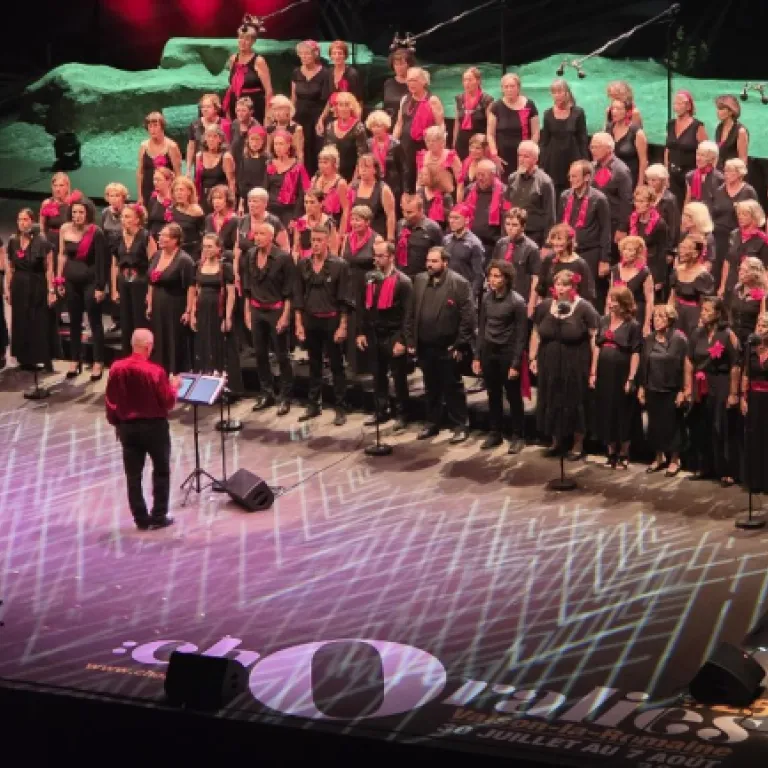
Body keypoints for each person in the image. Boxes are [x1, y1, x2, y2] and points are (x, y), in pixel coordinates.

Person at [105, 328, 178, 531]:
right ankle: (159, 515)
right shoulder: (155, 372)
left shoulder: (116, 368)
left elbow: (111, 401)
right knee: (161, 471)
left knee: (133, 475)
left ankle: (140, 517)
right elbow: (168, 402)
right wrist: (174, 387)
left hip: (128, 428)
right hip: (155, 428)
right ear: (149, 346)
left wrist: (117, 423)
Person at [530, 270, 600, 459]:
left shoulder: (584, 308)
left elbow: (595, 339)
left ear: (573, 287)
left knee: (574, 400)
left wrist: (594, 369)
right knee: (551, 397)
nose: (560, 288)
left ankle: (577, 443)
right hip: (549, 362)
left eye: (565, 284)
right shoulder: (545, 306)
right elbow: (536, 332)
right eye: (558, 284)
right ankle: (556, 440)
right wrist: (533, 358)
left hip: (575, 363)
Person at [409, 247, 475, 443]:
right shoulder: (420, 280)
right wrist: (412, 340)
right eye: (428, 261)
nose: (429, 264)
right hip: (425, 345)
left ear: (445, 262)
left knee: (452, 387)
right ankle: (432, 423)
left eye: (434, 261)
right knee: (430, 387)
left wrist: (460, 344)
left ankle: (460, 425)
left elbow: (468, 317)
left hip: (449, 346)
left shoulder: (459, 283)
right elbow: (412, 312)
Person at [294, 225, 352, 425]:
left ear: (327, 241)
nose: (316, 244)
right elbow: (298, 298)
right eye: (313, 240)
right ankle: (314, 404)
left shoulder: (339, 265)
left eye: (319, 240)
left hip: (332, 320)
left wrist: (343, 326)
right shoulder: (303, 264)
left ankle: (341, 406)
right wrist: (299, 324)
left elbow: (345, 299)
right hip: (311, 320)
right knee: (314, 364)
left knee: (336, 365)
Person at [356, 237, 413, 431]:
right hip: (375, 332)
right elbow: (365, 308)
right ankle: (381, 411)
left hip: (394, 334)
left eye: (381, 256)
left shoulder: (403, 282)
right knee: (378, 375)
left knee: (398, 377)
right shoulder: (370, 278)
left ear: (391, 257)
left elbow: (408, 315)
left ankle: (403, 414)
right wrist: (361, 332)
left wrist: (403, 340)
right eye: (375, 256)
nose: (377, 260)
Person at [684, 296, 741, 486]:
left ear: (718, 313)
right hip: (701, 382)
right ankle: (704, 466)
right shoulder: (696, 333)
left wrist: (733, 393)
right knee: (701, 425)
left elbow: (735, 365)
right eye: (703, 310)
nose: (704, 313)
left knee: (721, 426)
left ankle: (726, 470)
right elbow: (689, 361)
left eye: (708, 310)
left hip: (721, 382)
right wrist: (688, 387)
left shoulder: (727, 335)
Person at [473, 260, 527, 453]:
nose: (493, 280)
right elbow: (481, 328)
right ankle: (495, 432)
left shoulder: (517, 302)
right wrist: (477, 356)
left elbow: (521, 335)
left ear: (506, 278)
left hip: (507, 352)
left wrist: (515, 363)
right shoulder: (487, 298)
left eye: (497, 276)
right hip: (489, 351)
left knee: (513, 395)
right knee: (492, 393)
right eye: (491, 276)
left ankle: (518, 435)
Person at [241, 222, 295, 414]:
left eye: (262, 234)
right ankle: (267, 392)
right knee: (260, 354)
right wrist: (247, 312)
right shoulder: (250, 255)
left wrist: (285, 316)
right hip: (256, 310)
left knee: (281, 355)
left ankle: (286, 396)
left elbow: (290, 291)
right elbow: (247, 287)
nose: (257, 237)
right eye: (256, 234)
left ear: (271, 237)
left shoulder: (283, 258)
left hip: (276, 311)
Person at [55, 197, 108, 381]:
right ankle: (75, 359)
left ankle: (98, 361)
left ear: (88, 214)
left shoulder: (96, 232)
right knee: (74, 321)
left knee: (94, 322)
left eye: (81, 212)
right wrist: (59, 280)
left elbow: (102, 262)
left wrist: (101, 287)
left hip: (90, 282)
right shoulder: (64, 229)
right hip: (70, 281)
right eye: (75, 212)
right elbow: (61, 255)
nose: (77, 216)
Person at [592, 286, 642, 469]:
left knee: (623, 412)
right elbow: (597, 346)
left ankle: (624, 453)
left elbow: (636, 353)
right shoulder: (603, 320)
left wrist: (631, 378)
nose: (610, 304)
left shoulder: (633, 326)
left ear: (624, 304)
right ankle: (611, 450)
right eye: (610, 300)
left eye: (615, 301)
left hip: (621, 374)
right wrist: (593, 372)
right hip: (604, 372)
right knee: (606, 411)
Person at [638, 304, 687, 477]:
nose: (657, 320)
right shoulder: (650, 338)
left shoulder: (679, 339)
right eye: (655, 317)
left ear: (670, 320)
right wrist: (642, 387)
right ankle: (658, 457)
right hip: (652, 387)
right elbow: (644, 364)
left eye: (661, 317)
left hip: (671, 389)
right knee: (654, 425)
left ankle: (674, 459)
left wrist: (683, 390)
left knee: (672, 425)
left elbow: (684, 366)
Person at [5, 209, 58, 371]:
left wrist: (51, 290)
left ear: (32, 221)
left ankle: (42, 357)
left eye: (26, 219)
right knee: (21, 320)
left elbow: (49, 268)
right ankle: (24, 358)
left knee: (38, 320)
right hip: (19, 285)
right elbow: (10, 267)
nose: (22, 223)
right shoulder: (13, 241)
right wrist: (8, 289)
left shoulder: (41, 241)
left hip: (37, 283)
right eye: (20, 219)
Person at [190, 234, 243, 394]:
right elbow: (196, 291)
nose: (206, 249)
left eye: (210, 246)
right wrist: (193, 313)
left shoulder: (224, 267)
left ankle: (227, 386)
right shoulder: (199, 265)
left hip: (218, 311)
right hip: (203, 310)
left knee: (221, 346)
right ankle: (207, 382)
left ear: (219, 248)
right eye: (204, 246)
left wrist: (227, 317)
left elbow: (231, 294)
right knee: (205, 344)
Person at [146, 223, 196, 374]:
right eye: (160, 235)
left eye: (164, 236)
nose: (160, 238)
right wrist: (149, 303)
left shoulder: (184, 260)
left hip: (175, 305)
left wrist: (188, 311)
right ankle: (159, 371)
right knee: (159, 339)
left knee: (173, 339)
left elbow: (191, 287)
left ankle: (175, 373)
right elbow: (151, 281)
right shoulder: (156, 255)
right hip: (157, 303)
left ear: (175, 240)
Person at [558, 160, 611, 294]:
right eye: (570, 176)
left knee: (588, 291)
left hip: (590, 252)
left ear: (587, 177)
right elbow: (559, 225)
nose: (571, 180)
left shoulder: (599, 199)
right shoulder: (565, 196)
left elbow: (605, 230)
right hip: (568, 251)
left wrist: (604, 259)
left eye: (575, 176)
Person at [393, 67, 445, 194]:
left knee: (423, 182)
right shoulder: (405, 99)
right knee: (406, 179)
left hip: (424, 148)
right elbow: (399, 123)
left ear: (423, 81)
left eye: (414, 80)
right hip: (405, 148)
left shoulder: (432, 100)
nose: (411, 84)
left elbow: (441, 126)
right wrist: (392, 142)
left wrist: (438, 149)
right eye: (409, 80)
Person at [112, 203, 154, 356]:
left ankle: (143, 357)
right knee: (126, 321)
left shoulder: (145, 236)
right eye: (123, 216)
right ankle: (127, 357)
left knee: (140, 321)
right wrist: (114, 288)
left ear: (138, 219)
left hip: (141, 283)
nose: (124, 219)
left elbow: (153, 265)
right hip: (124, 283)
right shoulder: (118, 237)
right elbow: (114, 264)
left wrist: (150, 292)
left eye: (128, 216)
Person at [710, 158, 757, 289]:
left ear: (740, 173)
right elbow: (712, 212)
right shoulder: (719, 190)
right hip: (718, 236)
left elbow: (755, 216)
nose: (726, 174)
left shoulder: (748, 191)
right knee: (716, 269)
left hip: (737, 237)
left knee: (732, 270)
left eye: (730, 171)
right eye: (725, 171)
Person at [342, 205, 377, 374]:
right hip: (350, 285)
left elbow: (380, 265)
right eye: (353, 219)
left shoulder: (376, 239)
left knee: (365, 322)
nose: (354, 223)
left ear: (368, 222)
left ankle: (368, 365)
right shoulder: (348, 238)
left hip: (368, 285)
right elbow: (343, 261)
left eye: (358, 220)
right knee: (351, 322)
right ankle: (352, 363)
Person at [539, 79, 589, 199]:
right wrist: (541, 164)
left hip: (573, 158)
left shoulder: (578, 112)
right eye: (554, 92)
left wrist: (585, 161)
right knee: (555, 192)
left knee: (574, 190)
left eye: (560, 91)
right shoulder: (547, 114)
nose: (557, 95)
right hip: (554, 160)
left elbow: (582, 139)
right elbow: (544, 142)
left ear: (567, 93)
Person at [589, 133, 633, 259]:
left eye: (597, 147)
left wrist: (622, 228)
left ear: (609, 149)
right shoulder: (592, 167)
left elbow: (627, 201)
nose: (593, 151)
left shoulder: (621, 171)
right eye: (591, 147)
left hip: (613, 223)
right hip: (595, 222)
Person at [491, 207, 541, 318]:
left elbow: (536, 278)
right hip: (500, 296)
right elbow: (494, 269)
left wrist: (531, 304)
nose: (510, 228)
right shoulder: (501, 244)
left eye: (514, 225)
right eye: (507, 224)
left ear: (523, 227)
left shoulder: (532, 248)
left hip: (520, 299)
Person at [504, 140, 556, 248]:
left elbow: (549, 216)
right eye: (520, 156)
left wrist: (547, 245)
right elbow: (506, 207)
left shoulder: (545, 182)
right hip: (512, 233)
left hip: (534, 235)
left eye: (526, 156)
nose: (521, 160)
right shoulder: (512, 178)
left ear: (535, 159)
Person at [487, 73, 540, 175]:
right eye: (506, 87)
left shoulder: (529, 105)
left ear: (518, 87)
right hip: (503, 157)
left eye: (512, 86)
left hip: (524, 157)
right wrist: (494, 154)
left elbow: (535, 133)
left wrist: (530, 153)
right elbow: (490, 134)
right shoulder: (496, 106)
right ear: (502, 89)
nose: (509, 89)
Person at [222, 16, 272, 122]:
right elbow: (232, 86)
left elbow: (268, 91)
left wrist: (268, 115)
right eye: (240, 37)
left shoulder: (259, 61)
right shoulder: (233, 59)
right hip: (236, 105)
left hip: (254, 107)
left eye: (247, 39)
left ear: (253, 41)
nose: (242, 41)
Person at [665, 90, 707, 210]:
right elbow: (667, 148)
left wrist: (701, 172)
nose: (676, 106)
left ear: (688, 106)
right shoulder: (671, 124)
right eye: (675, 103)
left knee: (688, 206)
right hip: (673, 172)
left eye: (679, 103)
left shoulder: (697, 126)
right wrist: (665, 169)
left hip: (690, 172)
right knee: (673, 205)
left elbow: (706, 151)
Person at [740, 312, 768, 494]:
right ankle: (755, 481)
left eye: (764, 325)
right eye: (758, 324)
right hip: (754, 398)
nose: (760, 328)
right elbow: (745, 374)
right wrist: (743, 397)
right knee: (754, 439)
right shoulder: (750, 348)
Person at [668, 234, 715, 339]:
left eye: (686, 248)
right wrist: (668, 312)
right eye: (681, 247)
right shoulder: (677, 271)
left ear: (695, 253)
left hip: (693, 316)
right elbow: (672, 296)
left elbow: (706, 303)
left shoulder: (703, 275)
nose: (681, 252)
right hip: (677, 313)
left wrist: (702, 321)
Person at [719, 200, 768, 299]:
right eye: (739, 214)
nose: (740, 217)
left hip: (751, 289)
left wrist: (765, 292)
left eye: (744, 214)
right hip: (731, 285)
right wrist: (722, 285)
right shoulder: (734, 234)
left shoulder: (762, 240)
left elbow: (765, 269)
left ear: (754, 216)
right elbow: (727, 261)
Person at [464, 159, 509, 266]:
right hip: (470, 243)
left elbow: (506, 219)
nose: (479, 178)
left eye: (483, 175)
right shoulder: (470, 190)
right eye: (478, 174)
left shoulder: (504, 192)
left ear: (493, 175)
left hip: (491, 245)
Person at [537, 223, 595, 304]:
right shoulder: (549, 259)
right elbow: (541, 290)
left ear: (568, 241)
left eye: (559, 239)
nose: (555, 242)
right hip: (550, 308)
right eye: (553, 239)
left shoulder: (580, 264)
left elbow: (587, 297)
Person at [629, 185, 669, 303]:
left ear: (651, 203)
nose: (637, 204)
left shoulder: (659, 224)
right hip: (633, 266)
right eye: (636, 200)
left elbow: (662, 252)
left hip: (651, 266)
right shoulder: (632, 219)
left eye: (641, 201)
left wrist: (658, 279)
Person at [291, 40, 325, 176]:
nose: (304, 57)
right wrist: (290, 117)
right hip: (300, 116)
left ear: (315, 55)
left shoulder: (325, 73)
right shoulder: (296, 72)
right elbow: (293, 97)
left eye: (307, 54)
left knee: (316, 149)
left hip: (317, 117)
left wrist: (322, 119)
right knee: (301, 148)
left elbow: (328, 99)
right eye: (301, 54)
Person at [266, 129, 310, 227]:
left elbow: (301, 194)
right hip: (270, 209)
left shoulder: (297, 167)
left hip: (288, 211)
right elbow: (264, 188)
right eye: (276, 144)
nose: (277, 147)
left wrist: (295, 217)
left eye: (281, 144)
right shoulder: (269, 164)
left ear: (288, 145)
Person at [136, 112, 182, 207]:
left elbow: (178, 174)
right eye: (150, 126)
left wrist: (175, 195)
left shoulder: (171, 146)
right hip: (147, 191)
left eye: (155, 126)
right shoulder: (143, 146)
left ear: (162, 127)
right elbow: (140, 172)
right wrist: (140, 195)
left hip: (166, 193)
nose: (152, 130)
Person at [348, 153, 397, 241]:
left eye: (366, 167)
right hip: (356, 236)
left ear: (375, 170)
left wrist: (390, 239)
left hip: (377, 237)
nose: (363, 170)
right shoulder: (353, 187)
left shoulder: (383, 189)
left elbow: (390, 215)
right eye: (361, 167)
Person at [612, 235, 654, 335]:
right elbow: (610, 295)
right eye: (625, 249)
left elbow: (650, 301)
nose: (626, 252)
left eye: (630, 250)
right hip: (618, 313)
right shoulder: (615, 269)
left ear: (638, 253)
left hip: (637, 315)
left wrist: (647, 324)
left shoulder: (644, 272)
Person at [394, 194, 444, 278]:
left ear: (421, 210)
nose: (405, 215)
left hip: (423, 277)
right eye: (403, 211)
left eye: (410, 212)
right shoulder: (400, 224)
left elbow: (441, 255)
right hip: (401, 275)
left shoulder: (433, 229)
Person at [444, 203, 486, 300]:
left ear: (467, 220)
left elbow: (479, 275)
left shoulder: (475, 244)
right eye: (450, 217)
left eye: (456, 218)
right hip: (447, 290)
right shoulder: (446, 240)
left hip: (464, 293)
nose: (451, 221)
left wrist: (471, 296)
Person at [322, 92, 367, 183]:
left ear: (352, 108)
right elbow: (326, 154)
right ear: (336, 108)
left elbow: (361, 157)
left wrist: (354, 181)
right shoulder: (330, 127)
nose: (343, 108)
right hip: (333, 176)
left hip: (352, 176)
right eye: (341, 105)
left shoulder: (358, 128)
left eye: (347, 105)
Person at [367, 111, 406, 210]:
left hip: (393, 186)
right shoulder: (368, 144)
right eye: (373, 126)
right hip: (374, 184)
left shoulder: (395, 144)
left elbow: (404, 169)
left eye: (379, 126)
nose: (375, 129)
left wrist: (405, 192)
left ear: (385, 126)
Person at [186, 94, 231, 181]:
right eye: (203, 107)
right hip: (201, 167)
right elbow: (191, 147)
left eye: (208, 107)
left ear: (216, 108)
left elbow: (228, 146)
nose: (205, 109)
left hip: (220, 168)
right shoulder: (195, 125)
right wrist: (188, 169)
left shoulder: (226, 125)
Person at [606, 98, 648, 188]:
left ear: (627, 112)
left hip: (630, 178)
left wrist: (640, 184)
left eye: (619, 109)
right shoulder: (608, 128)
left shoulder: (636, 132)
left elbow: (643, 161)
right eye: (613, 108)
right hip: (610, 178)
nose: (614, 112)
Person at [453, 67, 493, 160]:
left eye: (470, 80)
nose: (467, 83)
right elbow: (457, 123)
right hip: (462, 142)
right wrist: (454, 143)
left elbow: (490, 126)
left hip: (479, 144)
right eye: (465, 80)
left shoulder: (486, 100)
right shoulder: (459, 99)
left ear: (478, 81)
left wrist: (488, 146)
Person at [195, 125, 236, 216]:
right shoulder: (199, 156)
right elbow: (197, 180)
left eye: (215, 136)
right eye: (208, 136)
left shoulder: (226, 157)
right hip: (204, 198)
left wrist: (231, 204)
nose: (211, 139)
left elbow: (231, 182)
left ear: (220, 139)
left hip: (221, 199)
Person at [729, 257, 767, 349]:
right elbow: (731, 314)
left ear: (755, 274)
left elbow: (763, 321)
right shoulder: (737, 289)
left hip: (751, 341)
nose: (740, 273)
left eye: (745, 271)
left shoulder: (763, 295)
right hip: (734, 338)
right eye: (740, 269)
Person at [311, 145, 350, 233]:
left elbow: (346, 209)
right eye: (320, 162)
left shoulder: (340, 183)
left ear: (334, 164)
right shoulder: (314, 180)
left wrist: (341, 233)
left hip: (333, 225)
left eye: (325, 162)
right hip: (316, 225)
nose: (322, 165)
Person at [417, 126, 462, 197]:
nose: (430, 143)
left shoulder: (451, 156)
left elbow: (460, 182)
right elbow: (419, 180)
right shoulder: (423, 156)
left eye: (433, 141)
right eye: (428, 141)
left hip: (446, 196)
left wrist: (459, 202)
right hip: (426, 195)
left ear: (442, 141)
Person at [170, 176, 205, 262]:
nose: (178, 193)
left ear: (189, 192)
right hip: (173, 251)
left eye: (181, 190)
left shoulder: (197, 211)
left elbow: (203, 233)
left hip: (192, 252)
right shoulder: (171, 209)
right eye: (176, 190)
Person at [266, 94, 304, 165]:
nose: (277, 113)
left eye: (280, 109)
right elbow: (268, 151)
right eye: (275, 109)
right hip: (275, 164)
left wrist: (299, 169)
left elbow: (299, 153)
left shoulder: (296, 129)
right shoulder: (270, 129)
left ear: (288, 110)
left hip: (291, 164)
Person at [685, 141, 723, 211]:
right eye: (698, 154)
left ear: (712, 159)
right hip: (694, 214)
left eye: (703, 155)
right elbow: (688, 199)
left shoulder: (719, 178)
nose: (698, 158)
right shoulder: (690, 175)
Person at [714, 94, 749, 169]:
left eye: (721, 109)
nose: (717, 111)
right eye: (717, 108)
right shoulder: (719, 127)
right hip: (719, 171)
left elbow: (743, 160)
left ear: (731, 111)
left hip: (733, 173)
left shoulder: (740, 131)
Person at [382, 46, 415, 124]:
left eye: (402, 64)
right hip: (389, 124)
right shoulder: (388, 83)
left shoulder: (414, 83)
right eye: (396, 64)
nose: (399, 67)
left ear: (409, 64)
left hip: (408, 125)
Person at [205, 185, 239, 252]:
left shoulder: (234, 220)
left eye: (220, 198)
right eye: (214, 198)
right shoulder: (209, 218)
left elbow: (236, 247)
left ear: (227, 200)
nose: (216, 201)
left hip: (227, 258)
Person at [147, 167, 175, 244]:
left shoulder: (175, 200)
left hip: (168, 239)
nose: (155, 182)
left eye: (158, 180)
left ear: (168, 181)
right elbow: (149, 222)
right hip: (153, 239)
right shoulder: (153, 199)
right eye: (154, 179)